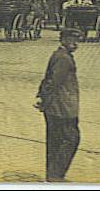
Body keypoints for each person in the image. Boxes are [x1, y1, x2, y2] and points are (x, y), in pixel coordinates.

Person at [35, 28, 82, 182]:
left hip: (54, 106)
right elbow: (53, 82)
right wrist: (44, 99)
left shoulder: (59, 55)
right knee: (71, 139)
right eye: (71, 40)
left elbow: (47, 79)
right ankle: (56, 175)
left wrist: (42, 98)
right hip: (63, 107)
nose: (75, 44)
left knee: (54, 139)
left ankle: (52, 174)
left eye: (77, 40)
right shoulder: (64, 58)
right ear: (63, 40)